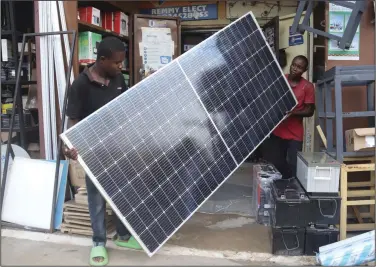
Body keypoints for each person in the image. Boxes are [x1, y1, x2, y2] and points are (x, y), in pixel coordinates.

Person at [63, 36, 141, 266]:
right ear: (103, 59)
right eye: (117, 63)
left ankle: (124, 235)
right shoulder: (80, 85)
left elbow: (124, 107)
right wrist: (70, 145)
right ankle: (98, 243)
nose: (120, 67)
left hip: (118, 146)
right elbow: (73, 120)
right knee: (96, 198)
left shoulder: (119, 79)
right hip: (93, 149)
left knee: (121, 192)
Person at [260, 55, 315, 179]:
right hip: (277, 130)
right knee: (275, 163)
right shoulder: (281, 80)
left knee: (293, 165)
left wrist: (293, 113)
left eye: (299, 67)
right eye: (294, 65)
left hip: (295, 134)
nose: (295, 68)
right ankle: (278, 189)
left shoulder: (307, 86)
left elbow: (310, 110)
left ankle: (290, 190)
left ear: (304, 71)